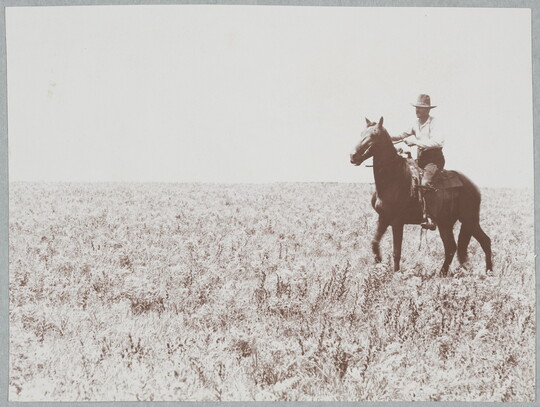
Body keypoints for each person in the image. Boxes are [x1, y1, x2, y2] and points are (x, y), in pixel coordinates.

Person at [391, 94, 445, 230]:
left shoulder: (434, 123)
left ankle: (430, 217)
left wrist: (415, 142)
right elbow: (402, 135)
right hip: (420, 159)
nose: (417, 110)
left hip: (434, 160)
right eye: (416, 108)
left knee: (425, 183)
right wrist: (386, 136)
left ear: (428, 110)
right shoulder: (415, 123)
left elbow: (437, 141)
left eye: (420, 108)